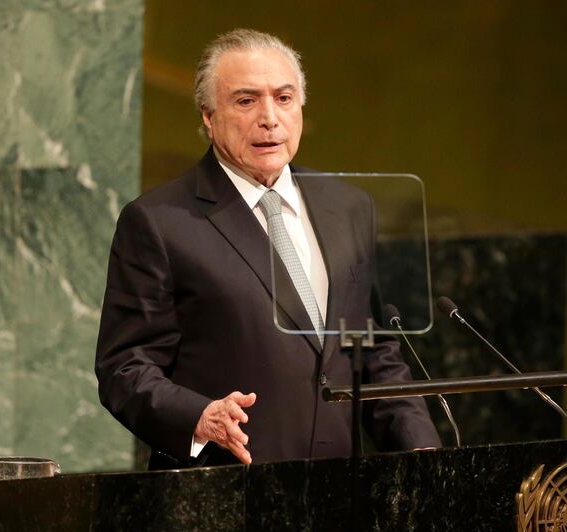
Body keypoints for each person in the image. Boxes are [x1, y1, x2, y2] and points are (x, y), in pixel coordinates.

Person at [95, 28, 440, 469]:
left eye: (283, 98)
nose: (269, 118)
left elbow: (372, 350)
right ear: (207, 115)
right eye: (245, 101)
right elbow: (124, 368)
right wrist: (200, 418)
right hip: (224, 496)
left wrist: (424, 454)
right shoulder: (160, 222)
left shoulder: (349, 207)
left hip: (342, 499)